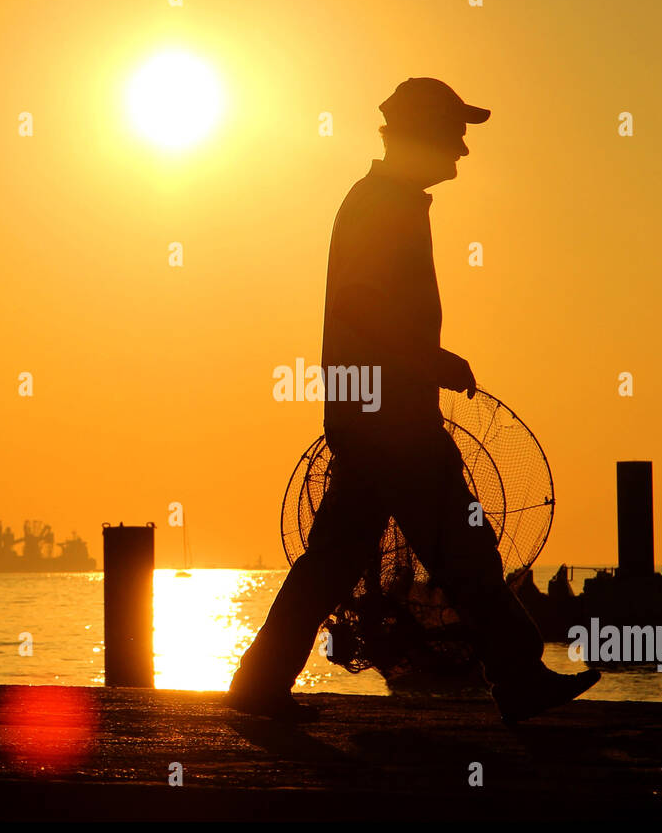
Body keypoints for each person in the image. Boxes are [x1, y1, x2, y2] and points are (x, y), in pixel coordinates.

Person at [228, 78, 599, 723]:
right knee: (462, 545)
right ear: (421, 136)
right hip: (387, 419)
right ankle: (516, 677)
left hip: (378, 413)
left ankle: (257, 687)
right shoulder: (382, 205)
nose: (461, 150)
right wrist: (429, 361)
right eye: (453, 134)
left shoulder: (388, 201)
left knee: (339, 558)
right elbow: (362, 303)